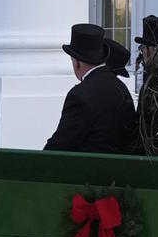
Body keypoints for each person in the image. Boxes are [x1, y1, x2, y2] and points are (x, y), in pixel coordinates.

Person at [43, 21, 142, 155]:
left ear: (77, 62)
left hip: (92, 171)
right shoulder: (121, 87)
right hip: (124, 170)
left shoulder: (80, 95)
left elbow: (59, 146)